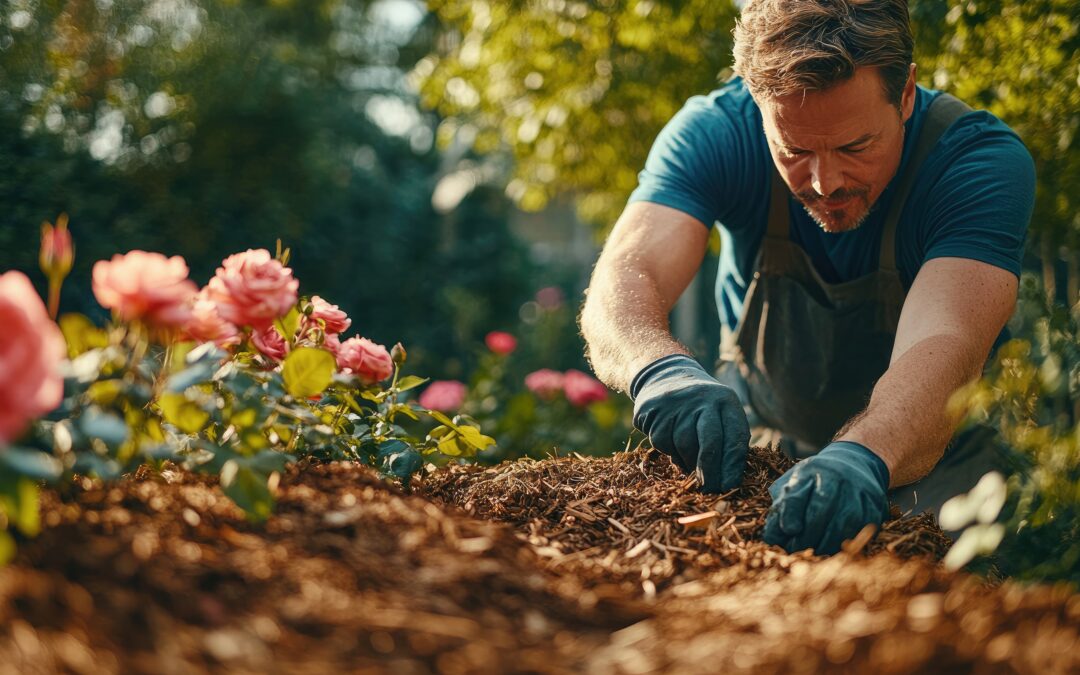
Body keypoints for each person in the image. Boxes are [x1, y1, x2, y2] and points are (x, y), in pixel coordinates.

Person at [579, 0, 1034, 555]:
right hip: (763, 451)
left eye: (855, 146)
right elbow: (628, 272)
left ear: (906, 93)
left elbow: (948, 342)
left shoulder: (975, 162)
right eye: (794, 149)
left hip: (940, 474)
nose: (824, 183)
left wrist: (863, 455)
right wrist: (659, 368)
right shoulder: (714, 134)